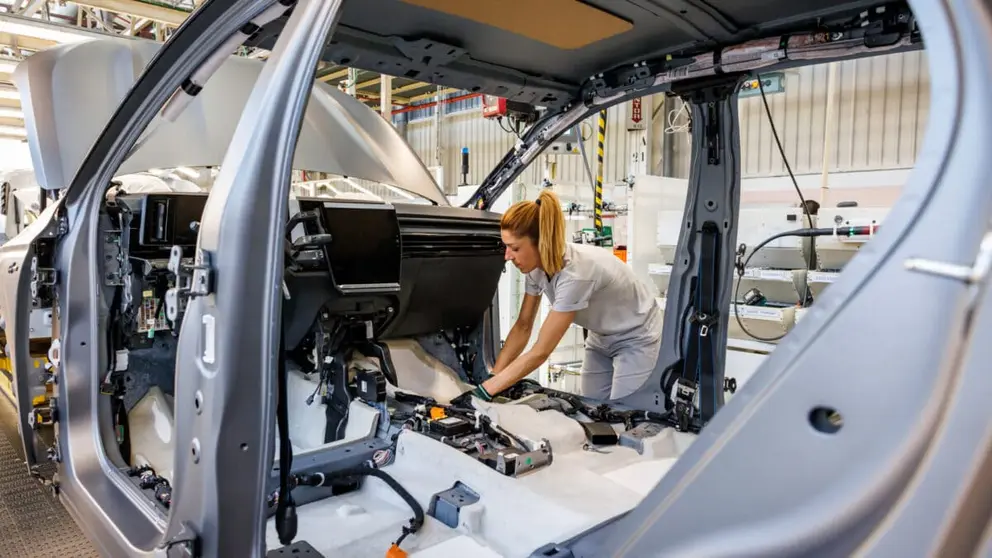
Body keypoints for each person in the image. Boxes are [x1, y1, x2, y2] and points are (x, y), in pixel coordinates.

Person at [456, 189, 663, 403]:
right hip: (600, 335)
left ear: (540, 242)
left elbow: (541, 351)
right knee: (591, 407)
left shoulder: (575, 276)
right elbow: (523, 326)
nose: (507, 256)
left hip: (636, 336)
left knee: (624, 412)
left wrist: (484, 392)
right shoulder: (536, 268)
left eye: (514, 248)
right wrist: (494, 377)